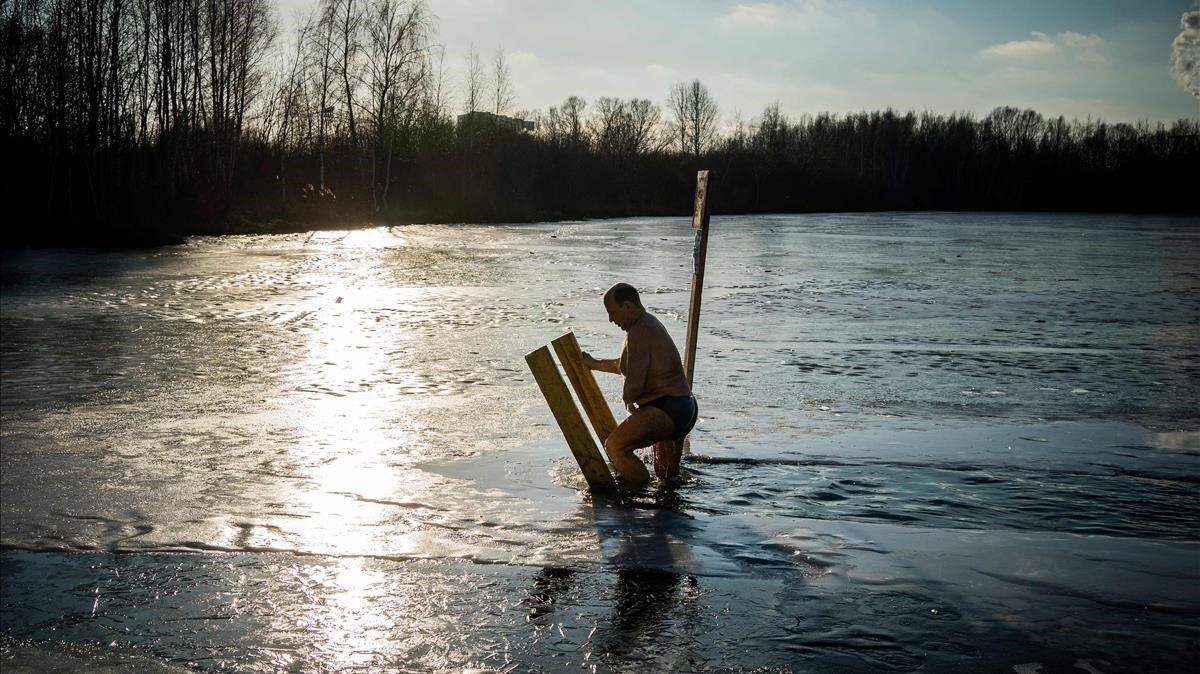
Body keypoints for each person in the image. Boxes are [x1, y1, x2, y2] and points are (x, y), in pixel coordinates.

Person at [582, 282, 698, 488]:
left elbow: (635, 381)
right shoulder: (648, 325)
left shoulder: (639, 332)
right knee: (665, 478)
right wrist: (595, 364)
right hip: (683, 406)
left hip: (665, 409)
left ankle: (638, 493)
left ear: (628, 306)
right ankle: (664, 504)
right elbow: (624, 365)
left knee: (615, 447)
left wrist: (629, 404)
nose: (611, 320)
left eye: (613, 313)